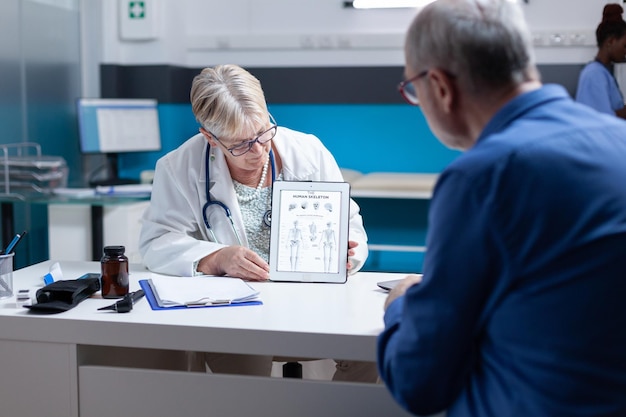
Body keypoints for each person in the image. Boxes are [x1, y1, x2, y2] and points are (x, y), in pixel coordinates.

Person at [377, 1, 626, 416]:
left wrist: (401, 303)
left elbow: (419, 379)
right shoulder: (619, 140)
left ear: (439, 86)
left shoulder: (481, 178)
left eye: (413, 90)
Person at [139, 64, 377, 382]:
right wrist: (215, 257)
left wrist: (347, 254)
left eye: (264, 132)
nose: (258, 150)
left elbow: (350, 224)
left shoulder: (308, 152)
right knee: (246, 377)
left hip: (311, 298)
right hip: (236, 308)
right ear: (209, 137)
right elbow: (156, 243)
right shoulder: (178, 168)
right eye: (240, 144)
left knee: (372, 349)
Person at [576, 3, 626, 118]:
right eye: (625, 46)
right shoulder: (594, 74)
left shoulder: (603, 73)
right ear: (611, 42)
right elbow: (600, 120)